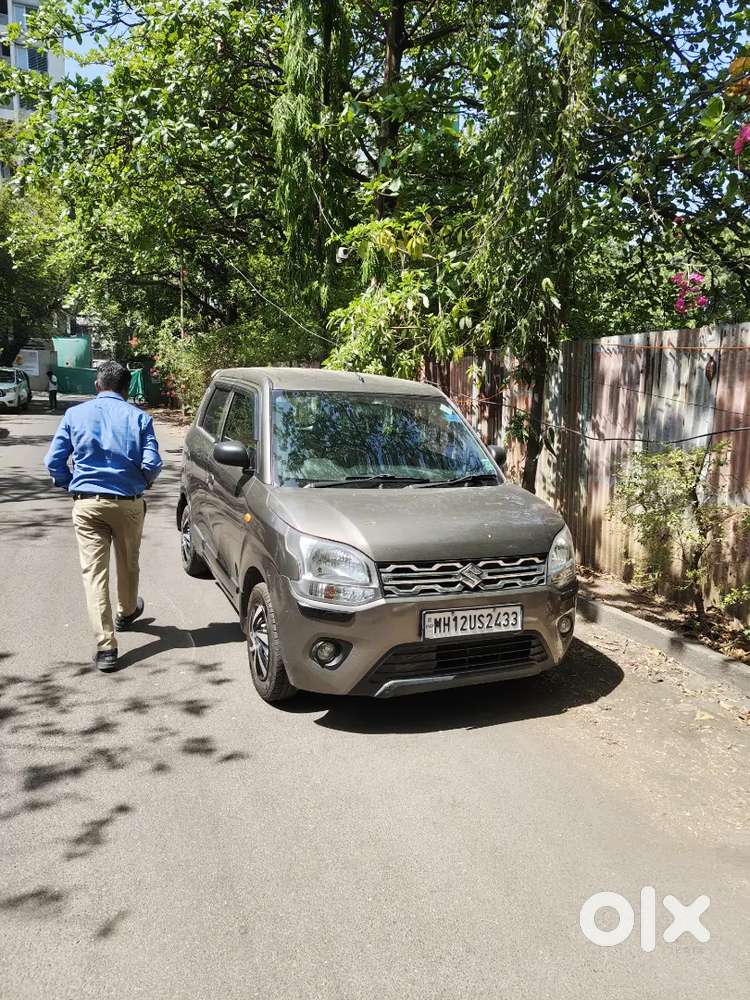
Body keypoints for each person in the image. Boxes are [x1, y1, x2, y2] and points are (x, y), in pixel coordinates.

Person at [44, 361, 163, 671]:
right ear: (127, 389)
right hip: (128, 502)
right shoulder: (140, 418)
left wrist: (70, 483)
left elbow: (53, 461)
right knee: (129, 562)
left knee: (94, 574)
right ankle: (127, 611)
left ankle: (106, 648)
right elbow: (152, 464)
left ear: (97, 386)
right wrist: (140, 483)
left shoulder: (74, 415)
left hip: (87, 505)